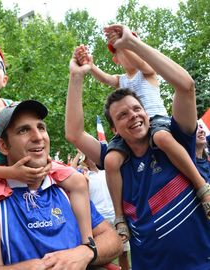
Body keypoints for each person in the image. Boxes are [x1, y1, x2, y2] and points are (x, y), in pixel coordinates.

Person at [65, 24, 210, 269]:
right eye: (122, 115)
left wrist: (131, 43)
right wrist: (77, 76)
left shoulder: (175, 138)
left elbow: (185, 86)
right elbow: (74, 133)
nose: (133, 116)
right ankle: (120, 220)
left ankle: (202, 188)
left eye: (136, 109)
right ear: (114, 130)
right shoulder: (115, 158)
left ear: (145, 111)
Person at [0, 42, 94, 265]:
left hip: (20, 167)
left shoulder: (13, 107)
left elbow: (34, 141)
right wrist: (11, 172)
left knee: (77, 179)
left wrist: (45, 163)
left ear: (5, 79)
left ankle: (88, 242)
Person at [0, 99, 122, 270]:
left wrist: (86, 252)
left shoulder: (67, 188)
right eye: (24, 130)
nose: (38, 137)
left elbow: (113, 240)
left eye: (41, 128)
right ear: (3, 146)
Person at [72, 150, 130, 270]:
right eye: (89, 156)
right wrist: (79, 154)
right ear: (85, 160)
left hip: (115, 216)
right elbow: (70, 171)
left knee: (124, 251)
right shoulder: (83, 176)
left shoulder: (106, 172)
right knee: (101, 258)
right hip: (99, 220)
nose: (92, 158)